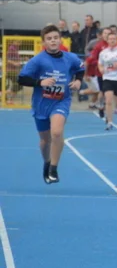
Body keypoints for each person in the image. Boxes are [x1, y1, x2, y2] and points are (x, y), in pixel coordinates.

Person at [17, 25, 84, 184]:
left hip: (61, 101)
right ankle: (47, 162)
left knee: (56, 132)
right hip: (41, 104)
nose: (53, 41)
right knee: (45, 140)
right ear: (44, 42)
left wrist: (78, 81)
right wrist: (41, 82)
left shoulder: (70, 58)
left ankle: (54, 168)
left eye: (55, 38)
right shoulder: (38, 60)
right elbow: (21, 78)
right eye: (49, 39)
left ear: (60, 39)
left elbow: (80, 68)